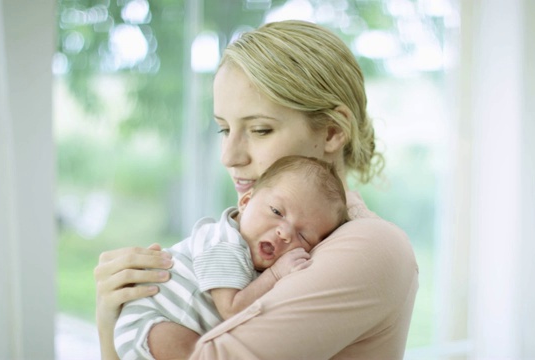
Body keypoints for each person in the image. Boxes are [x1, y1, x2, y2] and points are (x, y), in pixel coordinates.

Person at [94, 19, 419, 360]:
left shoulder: (371, 247)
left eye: (260, 130)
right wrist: (112, 322)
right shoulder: (248, 241)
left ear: (332, 132)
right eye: (224, 129)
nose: (229, 156)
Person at [113, 155, 349, 359]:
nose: (285, 233)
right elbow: (232, 310)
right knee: (194, 352)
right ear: (246, 202)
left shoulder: (254, 253)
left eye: (303, 236)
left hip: (179, 324)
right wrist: (276, 274)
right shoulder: (223, 241)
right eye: (277, 212)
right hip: (148, 322)